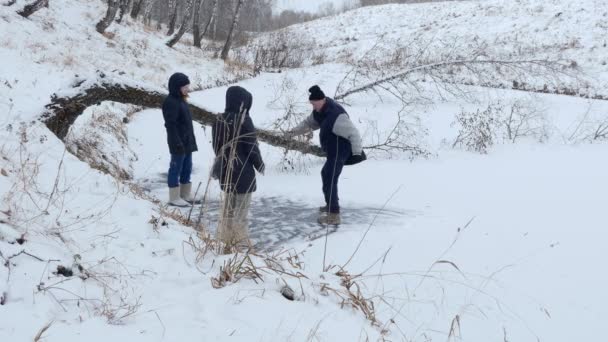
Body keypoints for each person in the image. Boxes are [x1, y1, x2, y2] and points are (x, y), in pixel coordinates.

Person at [285, 85, 364, 225]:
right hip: (332, 149)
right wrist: (292, 132)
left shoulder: (336, 115)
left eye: (315, 104)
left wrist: (357, 153)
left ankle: (334, 214)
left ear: (322, 100)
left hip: (341, 149)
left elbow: (354, 133)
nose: (314, 108)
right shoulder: (320, 111)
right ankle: (330, 205)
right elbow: (308, 123)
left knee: (330, 177)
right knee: (326, 174)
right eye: (312, 105)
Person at [212, 86, 265, 252]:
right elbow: (251, 147)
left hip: (226, 171)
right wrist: (259, 164)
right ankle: (241, 244)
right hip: (244, 174)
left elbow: (217, 147)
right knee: (241, 212)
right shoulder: (245, 121)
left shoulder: (218, 119)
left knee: (227, 209)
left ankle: (224, 239)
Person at [162, 72, 200, 207]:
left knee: (187, 167)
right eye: (185, 87)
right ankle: (174, 196)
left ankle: (185, 194)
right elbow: (170, 125)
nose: (187, 89)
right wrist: (177, 141)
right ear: (176, 87)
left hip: (187, 140)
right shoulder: (170, 102)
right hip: (177, 141)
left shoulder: (182, 100)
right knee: (175, 167)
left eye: (187, 86)